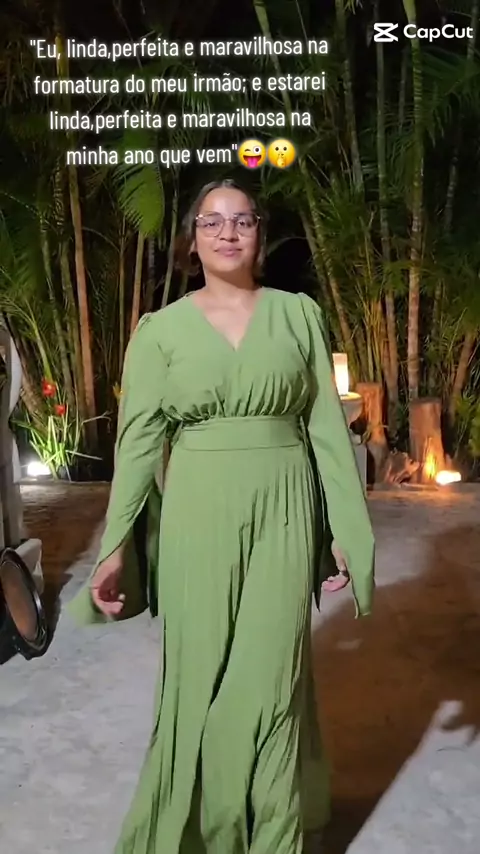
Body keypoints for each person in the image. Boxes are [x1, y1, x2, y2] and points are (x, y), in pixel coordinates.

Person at [68, 178, 375, 854]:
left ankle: (270, 837)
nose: (228, 232)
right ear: (192, 239)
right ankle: (199, 829)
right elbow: (138, 445)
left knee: (270, 682)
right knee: (198, 675)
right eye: (212, 221)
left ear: (260, 233)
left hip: (285, 507)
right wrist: (114, 547)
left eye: (242, 220)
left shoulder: (298, 315)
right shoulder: (159, 332)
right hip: (197, 513)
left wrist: (344, 532)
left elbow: (327, 431)